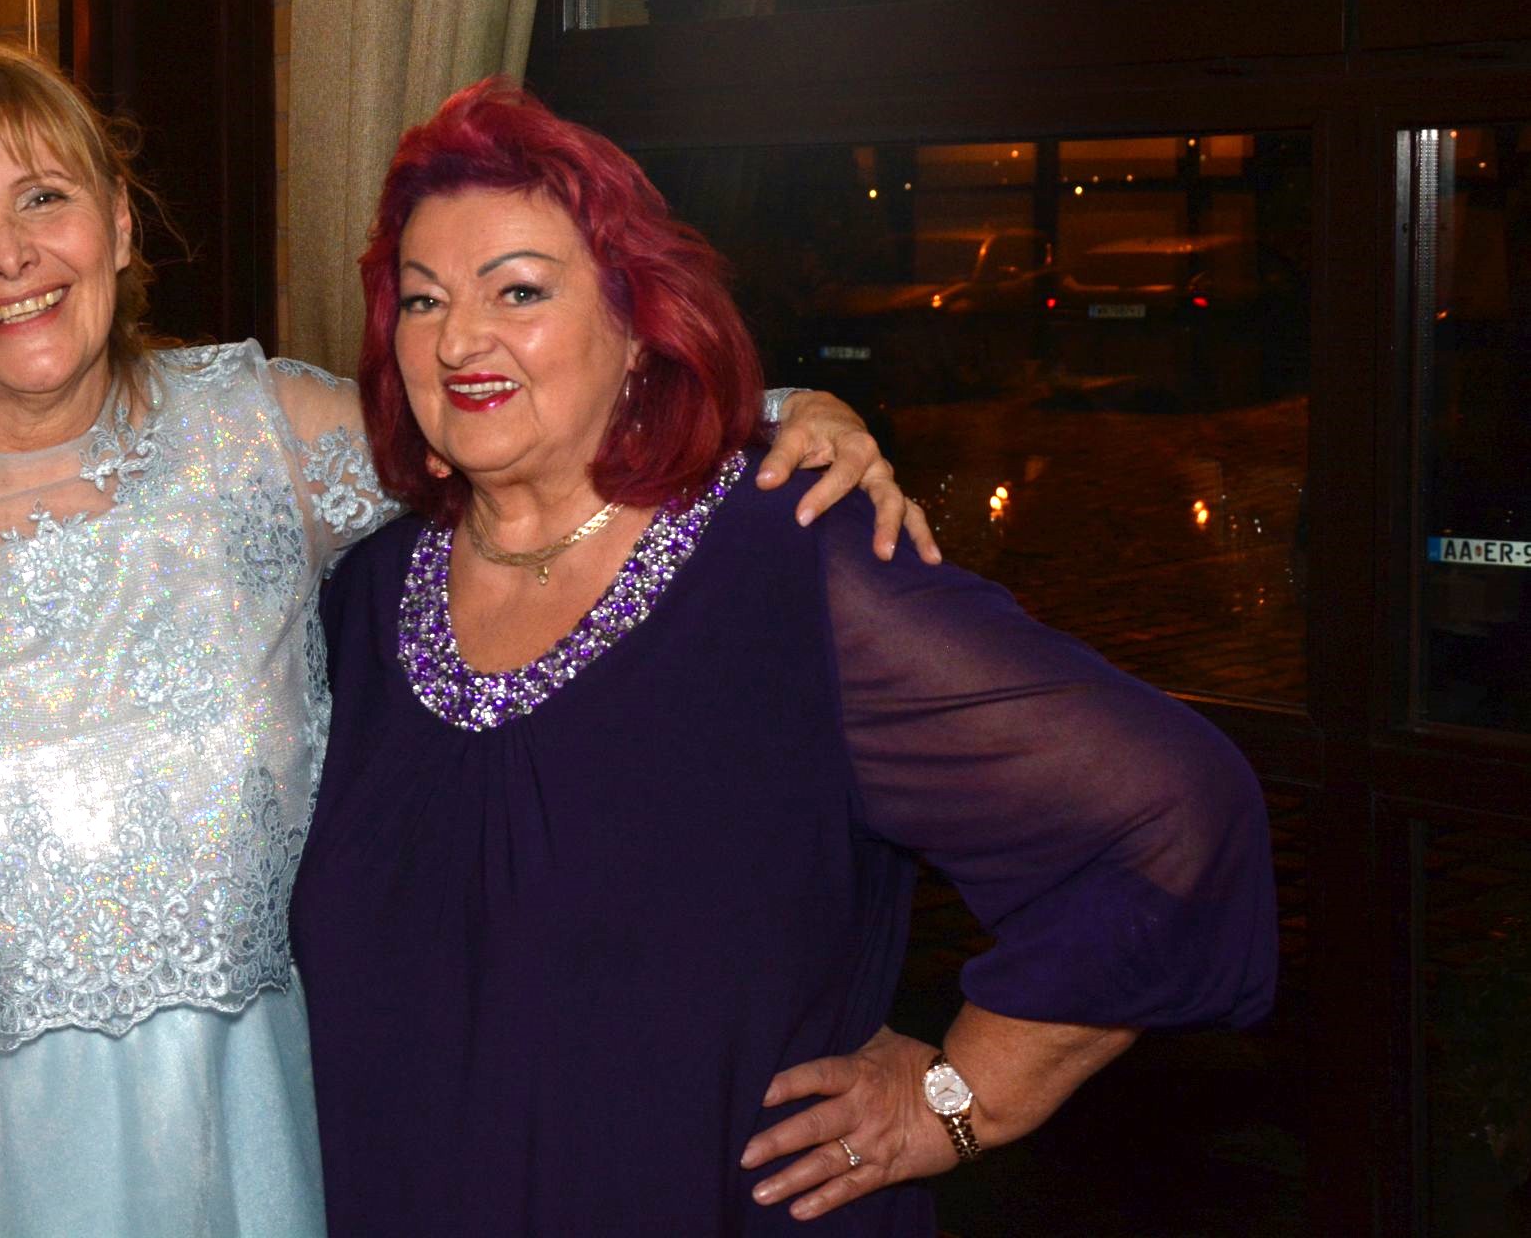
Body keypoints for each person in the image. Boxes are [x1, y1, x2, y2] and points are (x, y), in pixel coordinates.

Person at [0, 47, 928, 1235]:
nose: (9, 255)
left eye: (44, 196)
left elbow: (509, 420)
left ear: (121, 225)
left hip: (227, 1137)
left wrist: (783, 415)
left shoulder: (264, 439)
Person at [288, 81, 1278, 1234]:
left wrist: (963, 1100)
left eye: (519, 290)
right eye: (423, 300)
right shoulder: (363, 594)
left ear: (635, 323)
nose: (460, 340)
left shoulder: (787, 559)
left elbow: (1174, 817)